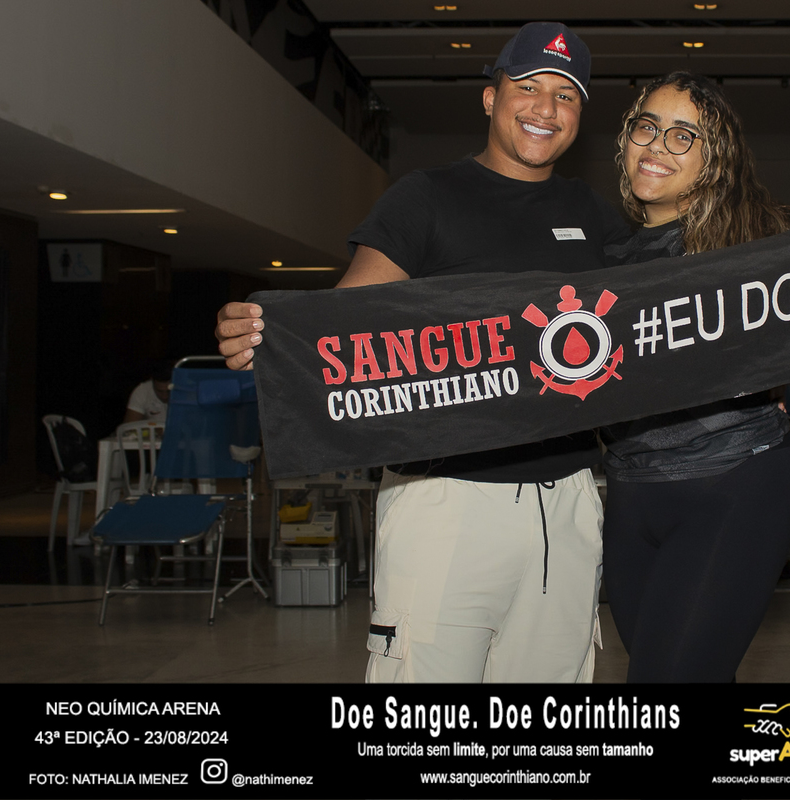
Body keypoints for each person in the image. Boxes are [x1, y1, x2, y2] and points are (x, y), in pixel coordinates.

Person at [217, 23, 628, 683]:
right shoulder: (427, 196)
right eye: (528, 86)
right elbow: (347, 322)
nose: (546, 108)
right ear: (491, 97)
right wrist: (268, 338)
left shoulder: (593, 213)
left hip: (567, 500)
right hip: (445, 498)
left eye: (566, 95)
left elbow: (668, 310)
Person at [598, 71, 790, 682]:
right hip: (632, 494)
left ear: (715, 158)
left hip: (733, 487)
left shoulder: (761, 246)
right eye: (646, 127)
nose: (657, 145)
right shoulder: (605, 261)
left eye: (683, 135)